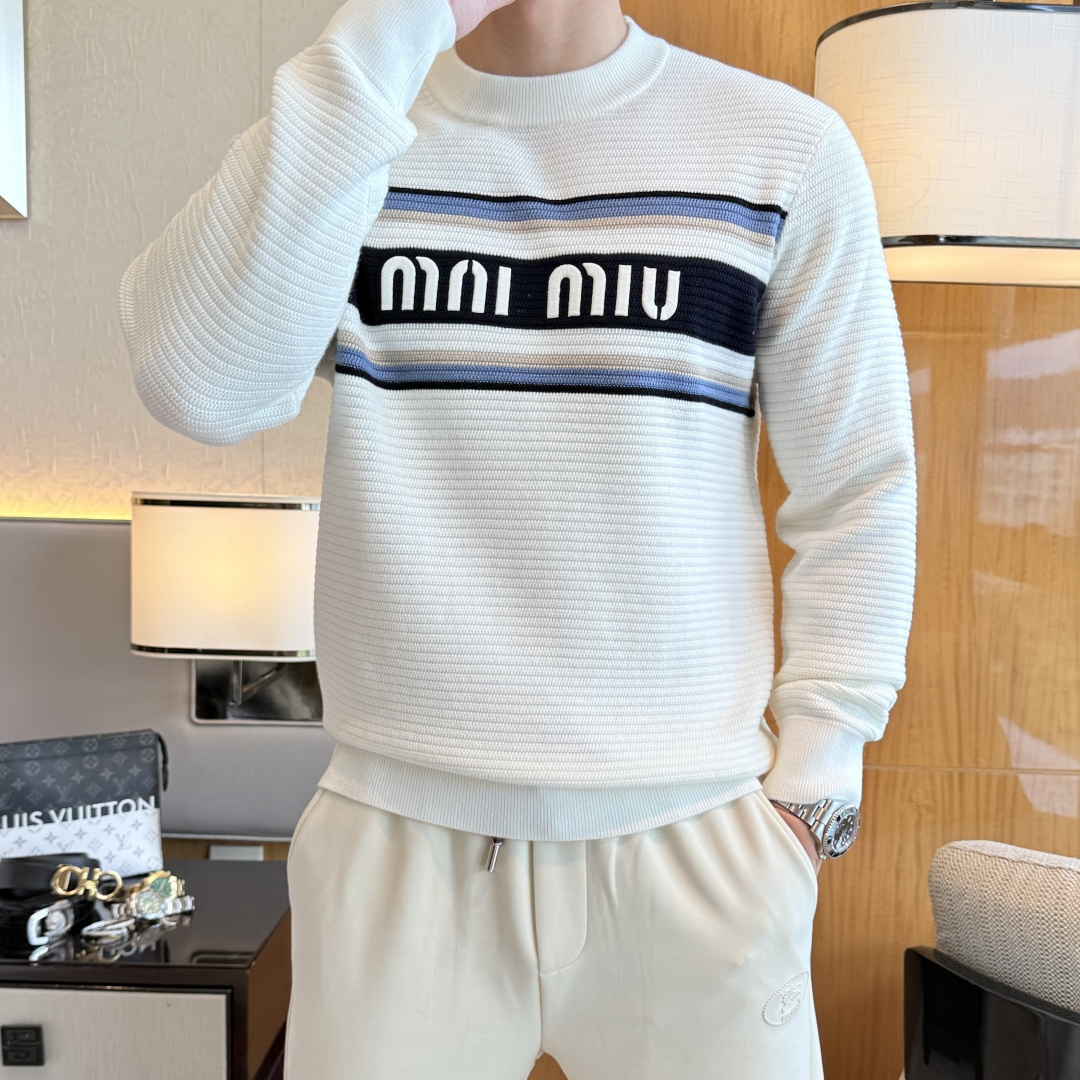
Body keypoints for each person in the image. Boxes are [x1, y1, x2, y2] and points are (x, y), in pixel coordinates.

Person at [118, 0, 917, 1075]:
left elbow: (858, 481)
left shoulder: (781, 145)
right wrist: (390, 31)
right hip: (397, 835)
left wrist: (818, 783)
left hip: (696, 839)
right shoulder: (351, 122)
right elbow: (199, 386)